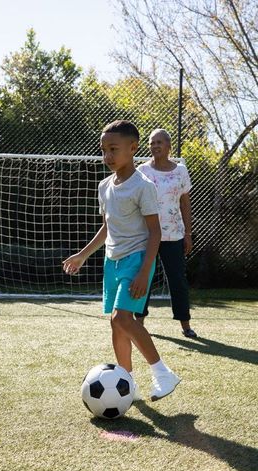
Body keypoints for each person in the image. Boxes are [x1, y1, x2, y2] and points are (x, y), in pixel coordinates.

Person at [63, 120, 181, 401]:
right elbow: (108, 227)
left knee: (123, 318)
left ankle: (163, 373)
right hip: (111, 260)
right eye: (104, 150)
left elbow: (155, 232)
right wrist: (83, 254)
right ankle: (127, 384)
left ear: (133, 148)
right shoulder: (105, 186)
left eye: (113, 149)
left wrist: (144, 272)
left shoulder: (143, 186)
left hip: (137, 259)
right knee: (116, 323)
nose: (107, 156)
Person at [135, 128, 197, 338]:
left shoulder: (180, 171)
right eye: (152, 143)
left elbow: (185, 203)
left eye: (159, 142)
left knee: (177, 280)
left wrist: (188, 234)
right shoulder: (143, 170)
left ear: (169, 146)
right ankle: (139, 323)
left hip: (174, 235)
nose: (155, 146)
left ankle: (185, 325)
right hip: (147, 236)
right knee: (144, 277)